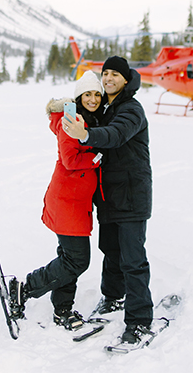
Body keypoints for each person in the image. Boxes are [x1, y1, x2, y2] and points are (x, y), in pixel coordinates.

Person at [64, 56, 154, 345]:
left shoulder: (131, 109)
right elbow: (79, 109)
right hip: (108, 196)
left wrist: (87, 134)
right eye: (105, 74)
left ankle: (139, 320)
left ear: (126, 79)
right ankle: (113, 297)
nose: (109, 79)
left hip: (131, 194)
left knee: (132, 259)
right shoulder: (104, 107)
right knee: (111, 251)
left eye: (115, 74)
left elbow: (115, 135)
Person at [7, 71, 104, 330]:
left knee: (68, 258)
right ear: (79, 97)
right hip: (67, 201)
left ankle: (63, 308)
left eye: (97, 94)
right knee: (77, 260)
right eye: (87, 94)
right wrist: (97, 158)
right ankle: (24, 289)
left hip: (75, 202)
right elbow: (71, 160)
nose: (93, 98)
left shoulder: (88, 119)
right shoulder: (70, 120)